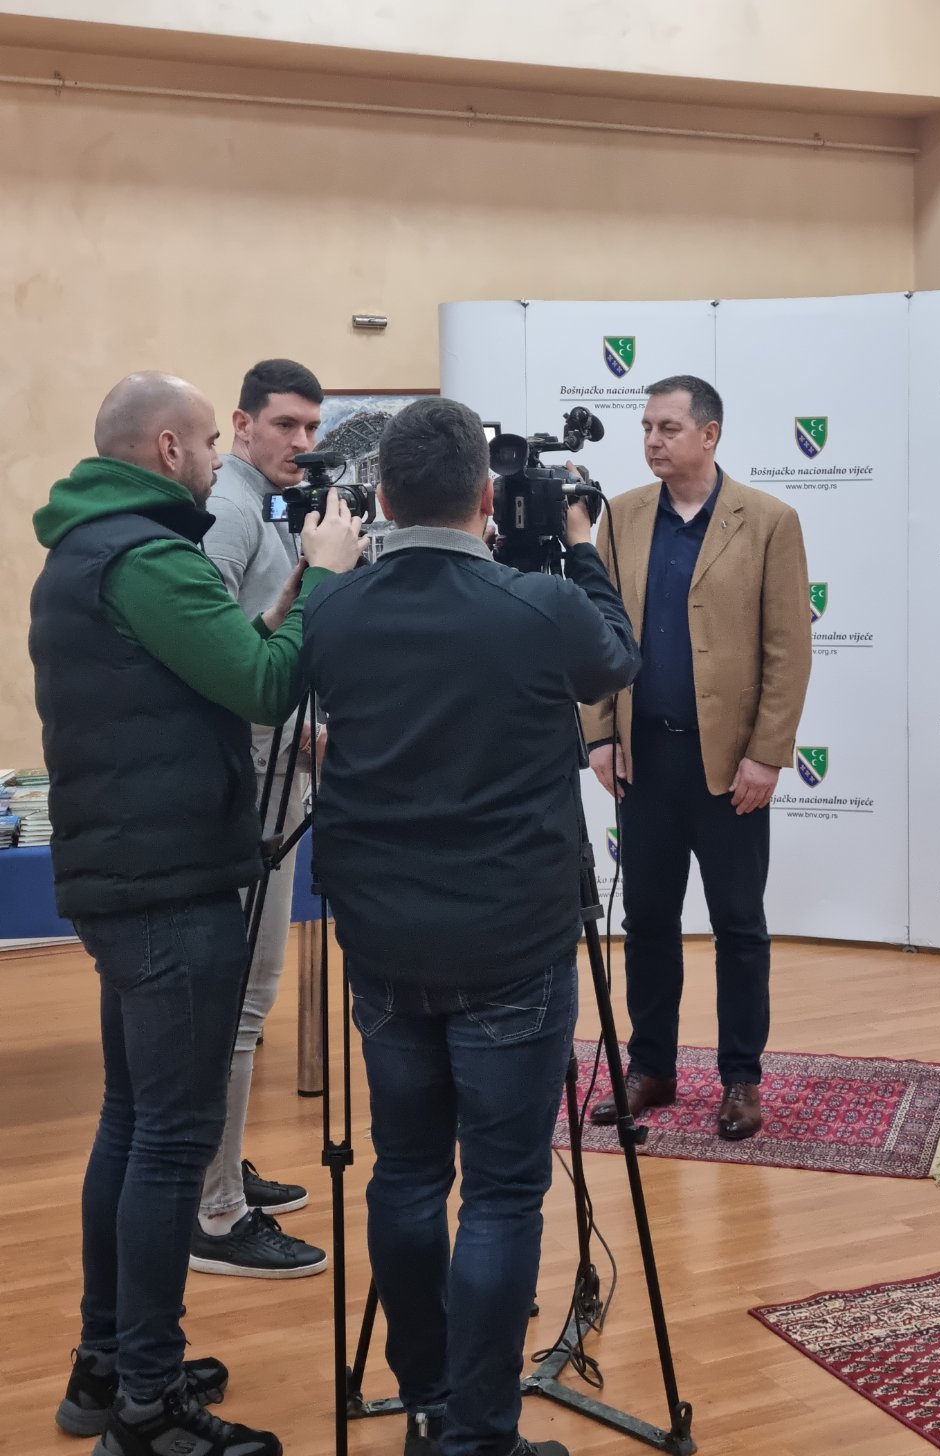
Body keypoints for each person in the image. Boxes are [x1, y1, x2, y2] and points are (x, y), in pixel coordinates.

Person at [29, 372, 364, 1456]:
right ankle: (150, 1407)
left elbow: (212, 669)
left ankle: (109, 1365)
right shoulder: (150, 556)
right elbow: (264, 688)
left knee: (132, 1125)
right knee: (171, 1141)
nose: (221, 457)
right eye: (212, 439)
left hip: (129, 879)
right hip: (171, 886)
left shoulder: (87, 549)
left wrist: (283, 599)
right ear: (168, 448)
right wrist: (324, 578)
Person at [302, 398, 640, 1456]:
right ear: (488, 498)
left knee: (405, 1176)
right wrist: (579, 545)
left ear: (382, 497)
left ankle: (429, 1406)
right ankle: (480, 1437)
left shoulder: (333, 609)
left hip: (384, 943)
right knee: (500, 1195)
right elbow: (616, 661)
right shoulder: (540, 604)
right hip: (512, 946)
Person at [582, 374, 811, 1143]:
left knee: (739, 926)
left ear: (709, 434)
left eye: (669, 428)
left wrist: (767, 755)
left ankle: (741, 1078)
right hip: (644, 761)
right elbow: (594, 631)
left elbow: (788, 651)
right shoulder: (621, 516)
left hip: (730, 769)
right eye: (647, 427)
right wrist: (600, 734)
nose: (652, 440)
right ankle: (651, 1068)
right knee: (647, 922)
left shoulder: (769, 522)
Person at [189, 358, 329, 1281]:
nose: (302, 444)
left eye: (313, 428)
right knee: (242, 1003)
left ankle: (218, 1164)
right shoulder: (233, 512)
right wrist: (286, 730)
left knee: (248, 998)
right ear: (241, 424)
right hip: (248, 791)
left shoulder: (265, 507)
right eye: (285, 425)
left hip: (275, 780)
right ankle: (214, 1211)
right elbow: (212, 659)